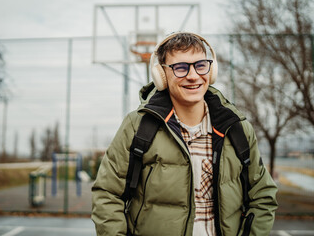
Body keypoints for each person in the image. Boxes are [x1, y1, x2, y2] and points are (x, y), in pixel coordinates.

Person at [91, 32, 278, 236]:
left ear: (211, 69)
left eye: (200, 65)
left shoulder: (236, 128)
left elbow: (263, 195)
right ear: (161, 76)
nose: (193, 75)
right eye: (180, 67)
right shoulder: (137, 126)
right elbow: (107, 193)